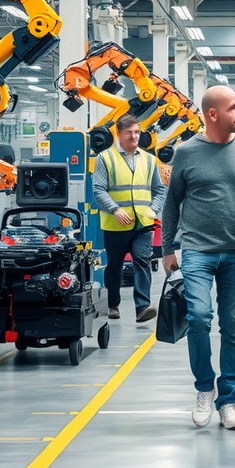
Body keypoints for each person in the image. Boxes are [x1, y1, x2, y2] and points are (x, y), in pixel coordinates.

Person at [161, 85, 235, 432]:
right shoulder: (187, 152)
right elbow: (172, 202)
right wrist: (167, 250)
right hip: (196, 252)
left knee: (232, 326)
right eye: (234, 107)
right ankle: (205, 387)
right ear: (213, 114)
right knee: (200, 316)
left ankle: (229, 400)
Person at [93, 114, 166, 324]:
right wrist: (115, 209)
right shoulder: (105, 158)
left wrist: (154, 209)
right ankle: (113, 304)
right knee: (114, 265)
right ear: (119, 133)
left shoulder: (150, 159)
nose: (134, 136)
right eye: (130, 132)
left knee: (142, 261)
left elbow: (159, 190)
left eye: (137, 132)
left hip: (143, 223)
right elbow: (98, 190)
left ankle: (142, 307)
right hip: (116, 224)